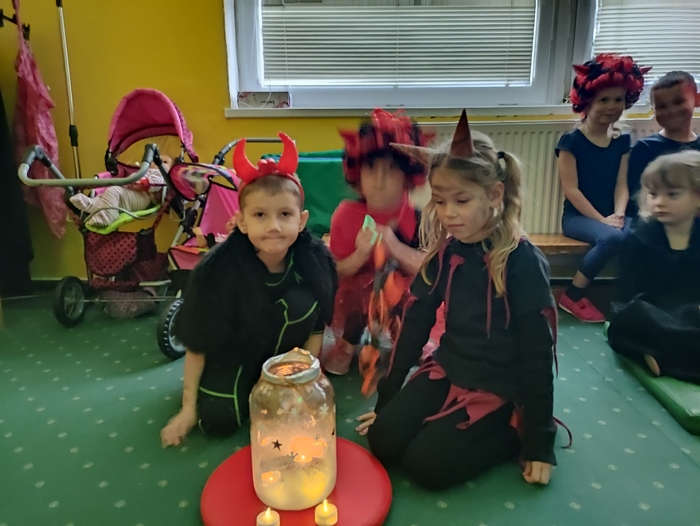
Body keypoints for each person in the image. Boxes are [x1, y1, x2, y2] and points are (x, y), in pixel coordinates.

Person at [356, 110, 559, 490]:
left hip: (499, 386)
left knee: (425, 466)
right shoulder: (447, 252)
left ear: (494, 194)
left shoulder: (522, 261)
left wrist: (539, 441)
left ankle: (512, 429)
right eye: (440, 201)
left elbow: (537, 352)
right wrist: (387, 402)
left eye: (461, 201)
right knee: (383, 440)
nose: (448, 213)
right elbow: (415, 325)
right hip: (449, 368)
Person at [160, 133, 337, 447]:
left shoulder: (315, 263)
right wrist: (188, 409)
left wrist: (305, 381)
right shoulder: (216, 271)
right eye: (260, 215)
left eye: (285, 214)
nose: (274, 226)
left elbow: (317, 326)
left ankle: (279, 382)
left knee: (302, 303)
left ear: (301, 221)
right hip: (234, 356)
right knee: (217, 421)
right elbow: (197, 343)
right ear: (241, 222)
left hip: (284, 359)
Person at [320, 109, 429, 376]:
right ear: (357, 175)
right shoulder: (346, 215)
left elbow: (428, 268)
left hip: (402, 293)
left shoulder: (417, 217)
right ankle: (348, 344)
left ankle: (408, 338)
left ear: (408, 178)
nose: (379, 180)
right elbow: (336, 271)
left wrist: (395, 247)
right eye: (371, 169)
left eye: (391, 170)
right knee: (363, 290)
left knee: (412, 293)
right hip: (356, 298)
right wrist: (360, 254)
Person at [556, 54, 650, 322]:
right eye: (604, 100)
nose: (611, 106)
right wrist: (602, 220)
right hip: (578, 217)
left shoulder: (622, 141)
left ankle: (630, 296)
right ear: (587, 101)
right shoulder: (571, 141)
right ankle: (572, 295)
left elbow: (622, 184)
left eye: (618, 100)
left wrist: (618, 214)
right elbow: (572, 190)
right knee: (613, 238)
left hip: (613, 215)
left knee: (642, 233)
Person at [608, 150, 700, 383]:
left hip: (691, 314)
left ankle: (667, 359)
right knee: (629, 321)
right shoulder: (640, 237)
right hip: (653, 314)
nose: (659, 202)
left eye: (672, 194)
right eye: (653, 194)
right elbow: (628, 296)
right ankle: (673, 359)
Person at [627, 71, 700, 216]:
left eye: (678, 102)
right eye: (661, 106)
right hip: (655, 221)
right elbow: (636, 200)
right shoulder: (644, 148)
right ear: (653, 110)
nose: (671, 111)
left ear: (697, 100)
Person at [69, 155, 172, 227]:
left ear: (171, 169)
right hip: (130, 195)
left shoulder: (163, 175)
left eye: (165, 162)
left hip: (144, 198)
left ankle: (108, 217)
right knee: (105, 195)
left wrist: (143, 183)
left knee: (113, 191)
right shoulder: (146, 171)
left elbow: (156, 183)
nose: (159, 162)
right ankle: (92, 205)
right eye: (155, 160)